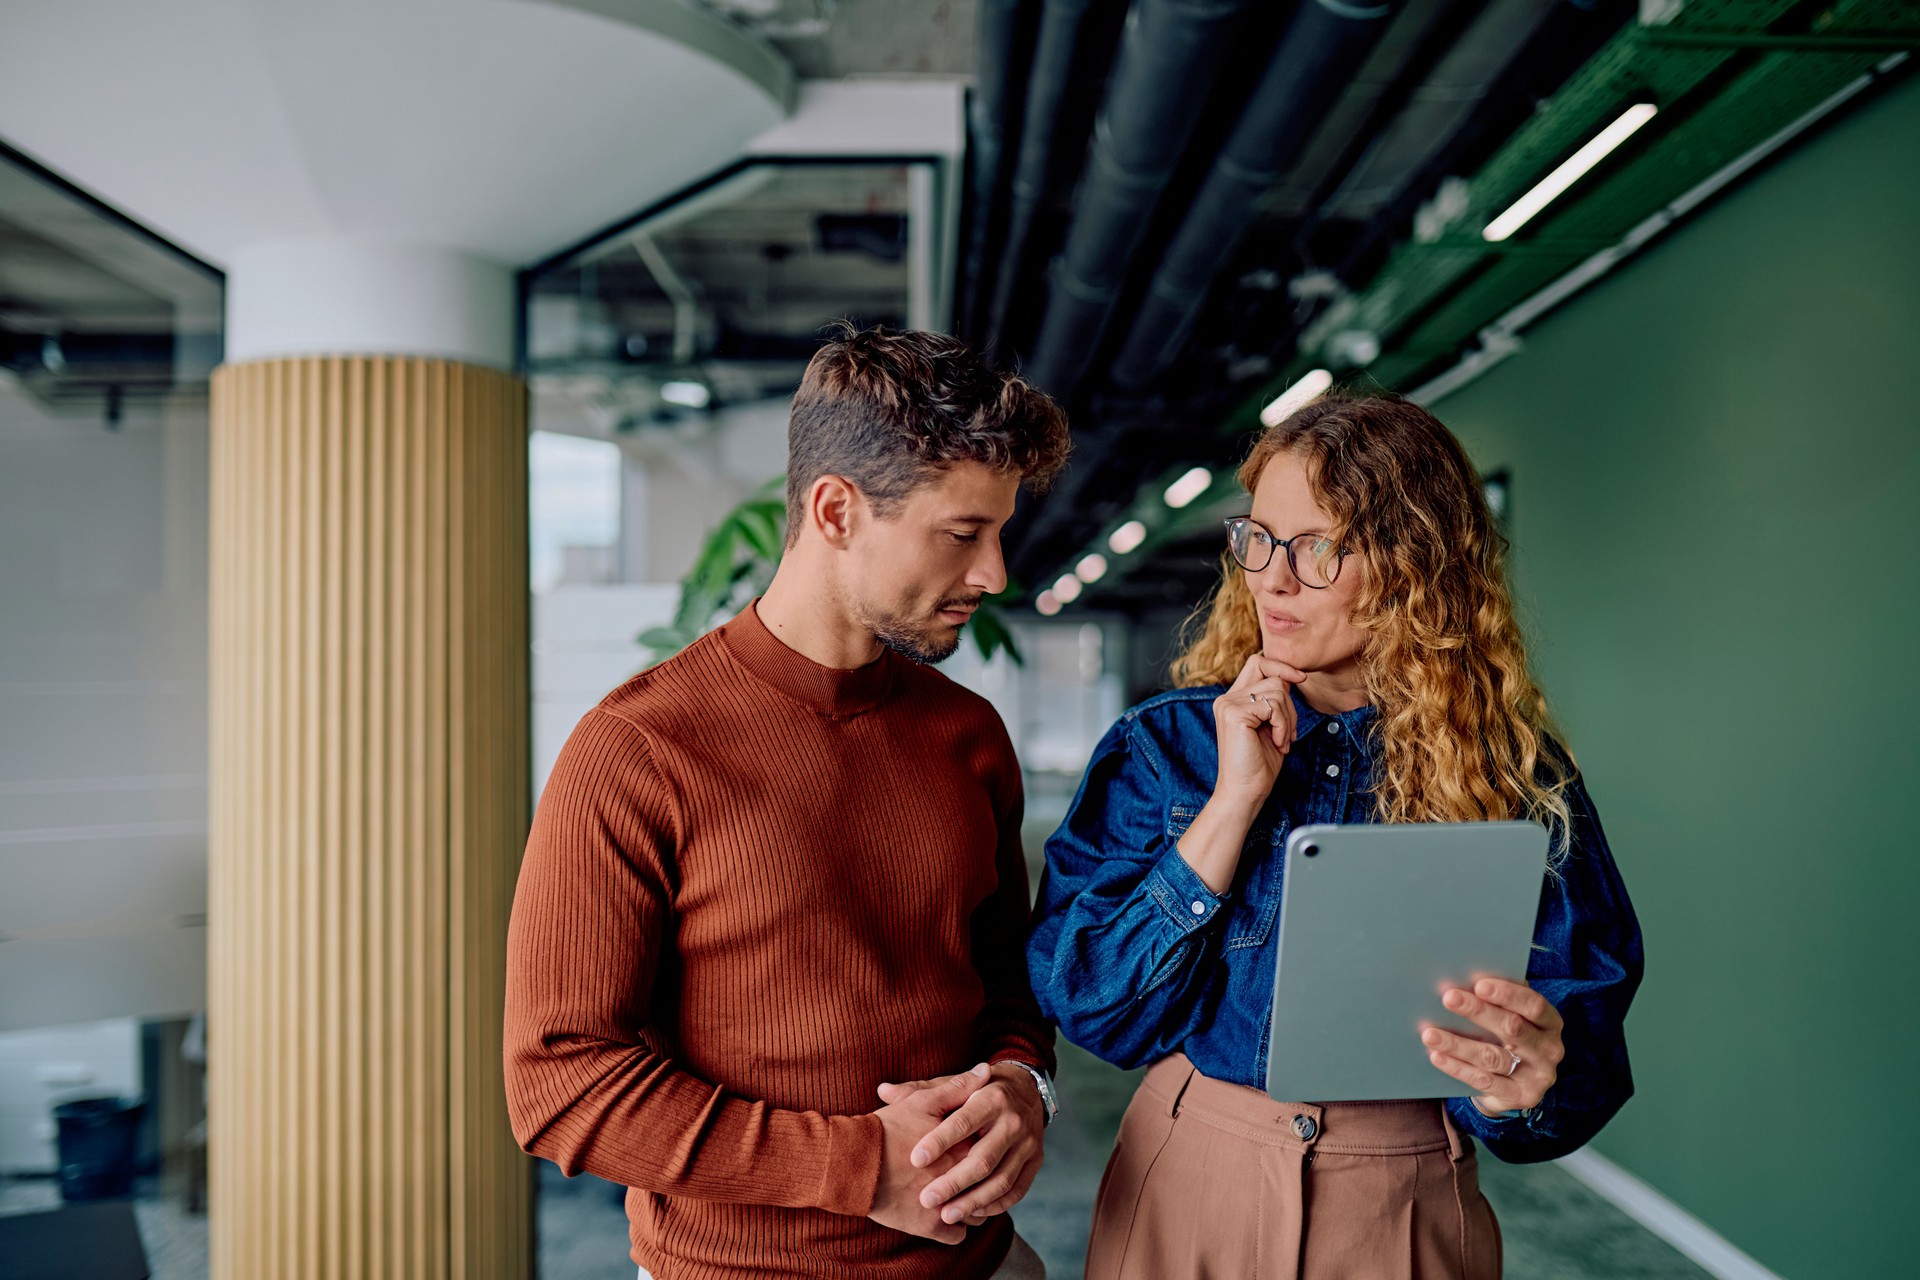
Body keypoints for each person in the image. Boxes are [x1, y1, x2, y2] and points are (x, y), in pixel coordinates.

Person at [1027, 392, 1643, 1278]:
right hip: (1193, 1168)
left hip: (1402, 1189)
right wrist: (1233, 804)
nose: (1272, 578)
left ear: (1413, 564)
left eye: (1318, 548)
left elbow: (1583, 1049)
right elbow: (1093, 1006)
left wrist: (1528, 1087)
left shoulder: (1515, 773)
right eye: (1260, 538)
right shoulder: (1166, 745)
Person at [504, 326, 1071, 1280]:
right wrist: (859, 1167)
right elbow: (558, 1084)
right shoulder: (638, 750)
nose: (994, 576)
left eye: (1000, 533)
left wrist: (1022, 1086)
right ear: (837, 510)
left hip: (982, 1265)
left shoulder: (967, 735)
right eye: (962, 533)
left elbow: (1007, 984)